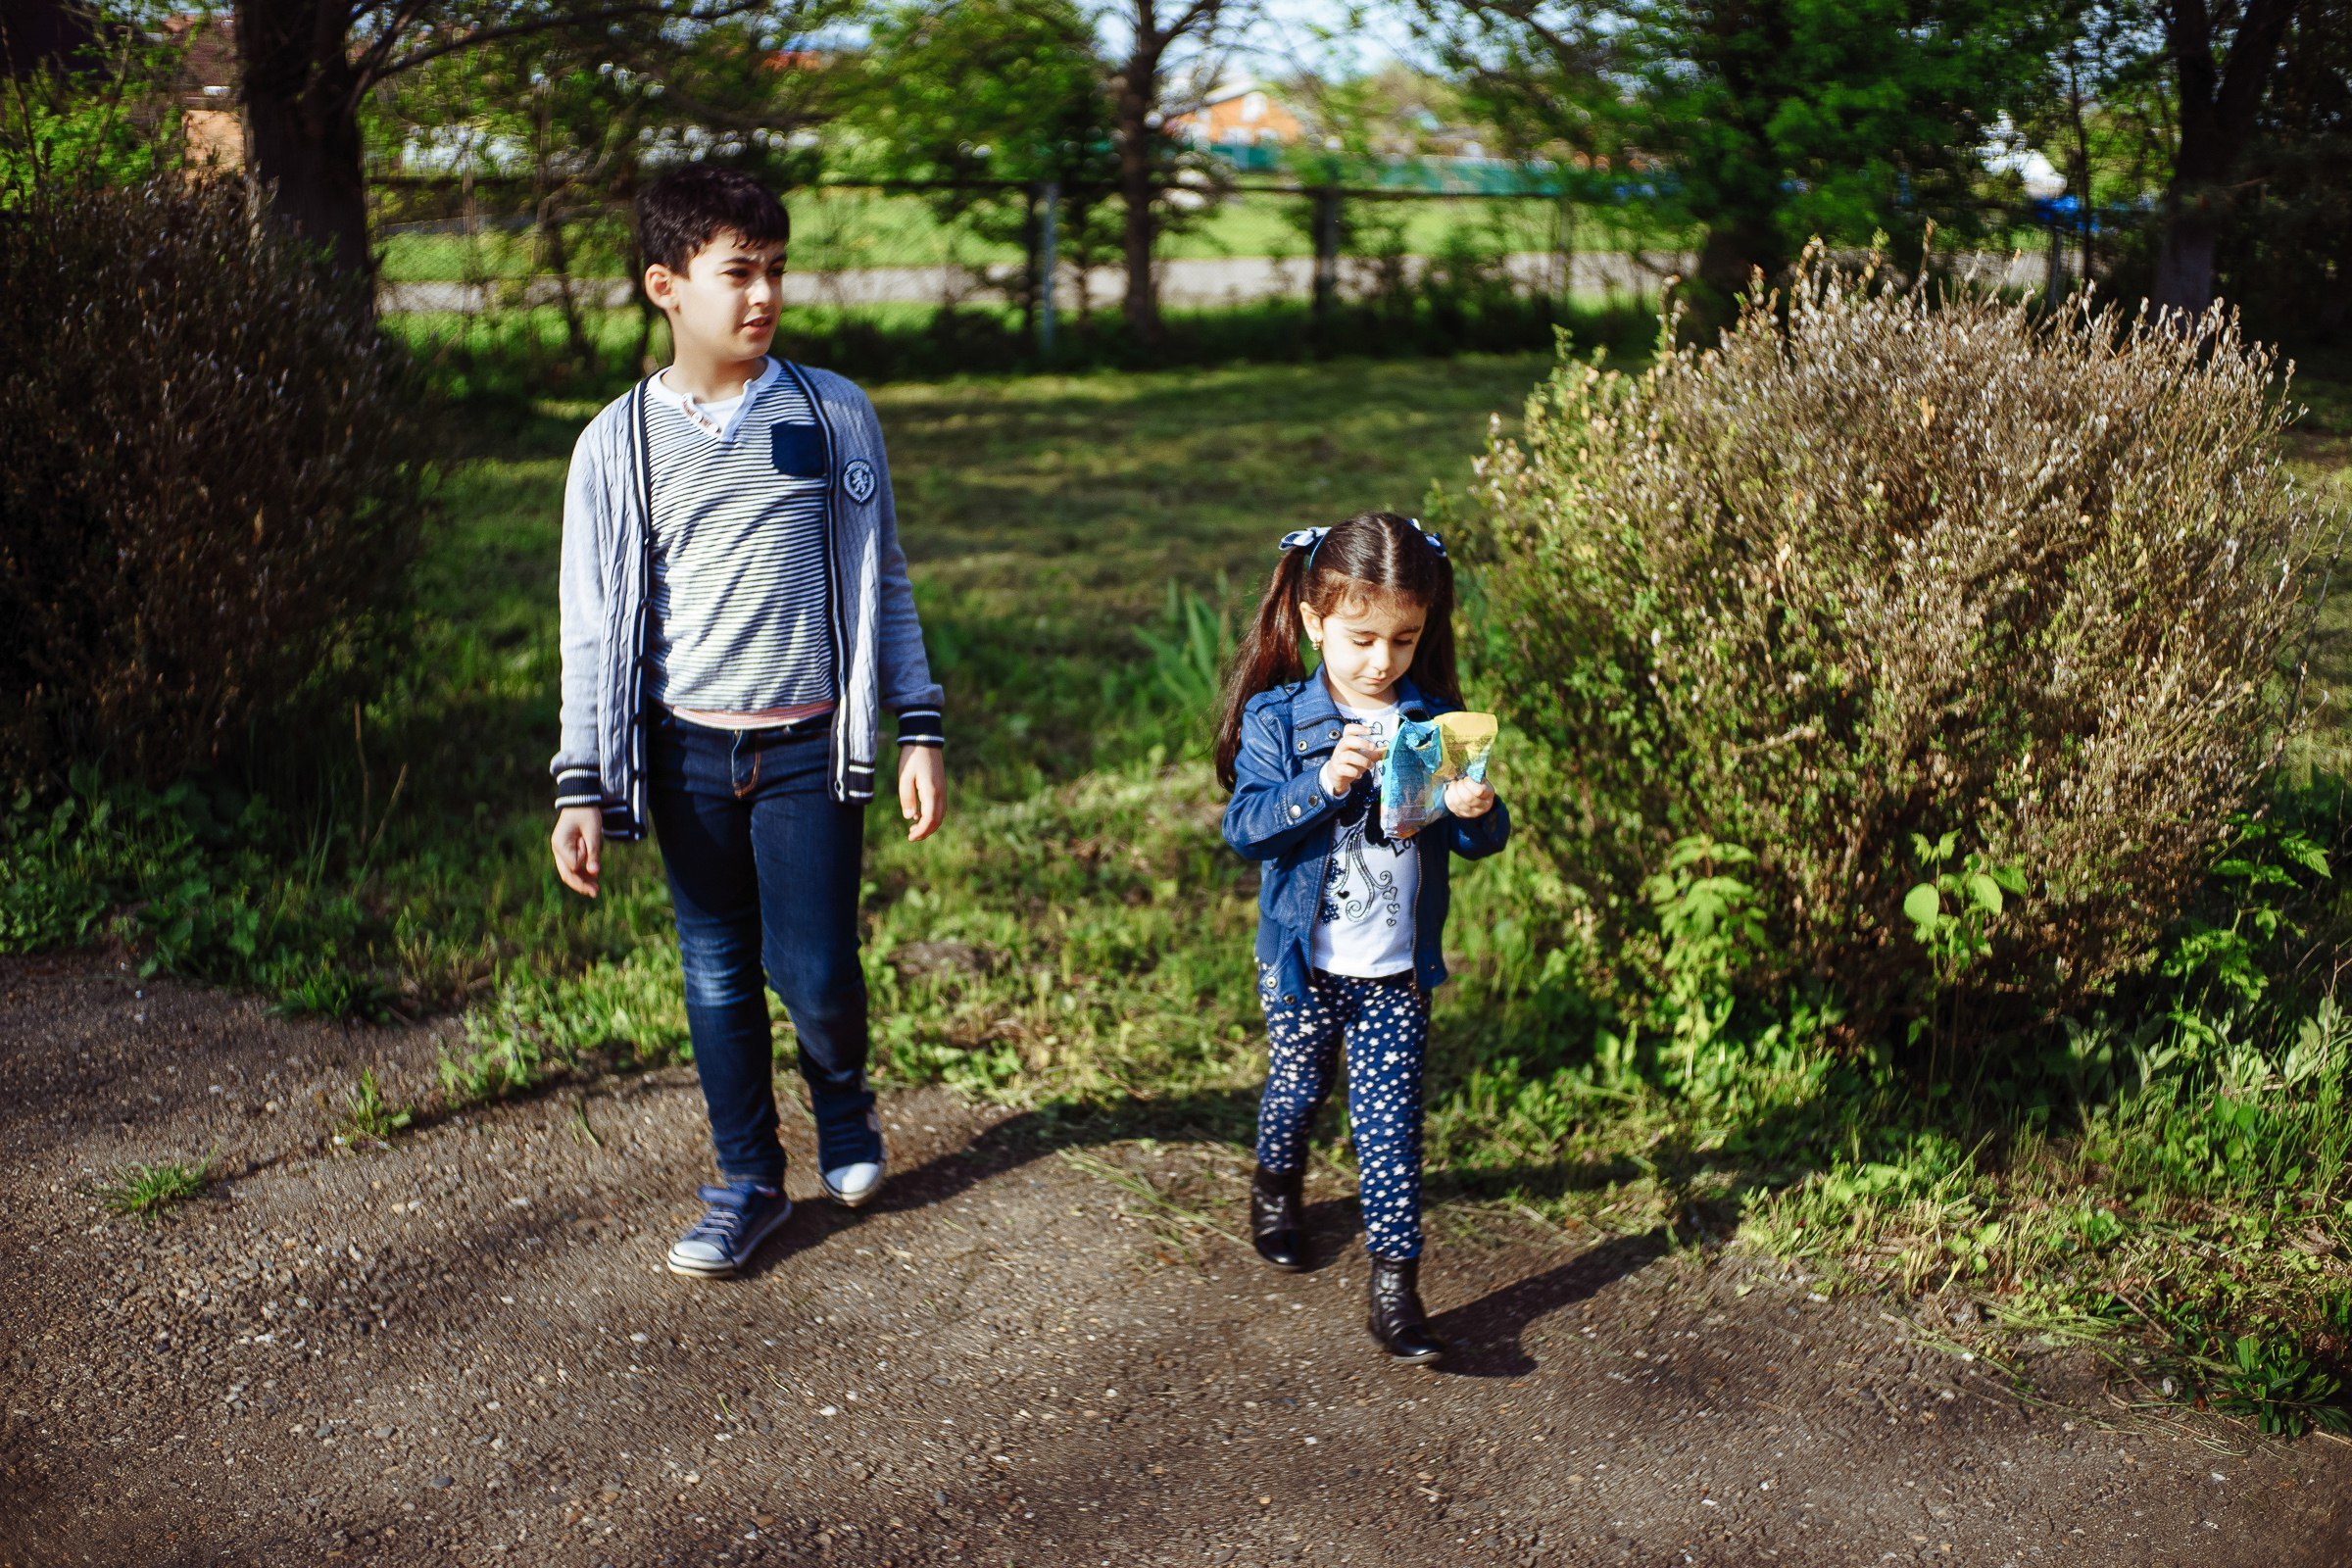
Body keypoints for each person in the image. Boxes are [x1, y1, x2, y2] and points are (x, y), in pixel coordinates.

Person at [548, 166, 947, 1279]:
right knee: (717, 968)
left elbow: (887, 580)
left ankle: (844, 1098)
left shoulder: (831, 413)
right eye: (739, 273)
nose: (764, 294)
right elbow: (589, 626)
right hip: (682, 754)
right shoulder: (615, 447)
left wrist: (919, 726)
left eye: (775, 269)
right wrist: (582, 780)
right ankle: (746, 1182)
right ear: (666, 287)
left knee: (815, 970)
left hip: (808, 749)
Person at [1214, 511, 1509, 1363]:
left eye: (1404, 640)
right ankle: (1277, 1186)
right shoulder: (1282, 719)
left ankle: (1396, 1290)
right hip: (1303, 968)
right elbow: (1247, 828)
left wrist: (1474, 812)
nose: (1383, 662)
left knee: (1390, 1129)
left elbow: (1478, 840)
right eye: (1362, 638)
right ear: (1314, 621)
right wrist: (1322, 783)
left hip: (1393, 973)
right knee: (1299, 1088)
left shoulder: (1436, 722)